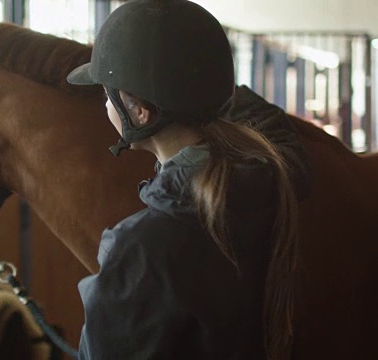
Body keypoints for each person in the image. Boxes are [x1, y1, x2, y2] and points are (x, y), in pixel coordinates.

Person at [66, 0, 312, 359]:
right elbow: (276, 130)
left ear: (139, 112)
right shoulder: (271, 181)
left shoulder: (138, 250)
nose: (105, 105)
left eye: (107, 95)